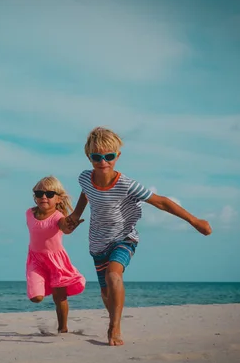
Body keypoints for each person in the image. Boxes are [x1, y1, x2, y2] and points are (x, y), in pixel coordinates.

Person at [65, 127, 212, 346]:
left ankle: (114, 327)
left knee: (113, 276)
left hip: (124, 238)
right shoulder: (85, 178)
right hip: (97, 243)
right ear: (89, 156)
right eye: (96, 157)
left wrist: (194, 221)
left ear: (117, 156)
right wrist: (75, 215)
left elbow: (161, 201)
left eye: (109, 156)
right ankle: (114, 317)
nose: (103, 161)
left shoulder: (127, 184)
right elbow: (87, 193)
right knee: (106, 294)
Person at [26, 175, 87, 334]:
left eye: (49, 194)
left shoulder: (58, 217)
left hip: (56, 261)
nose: (43, 197)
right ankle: (43, 287)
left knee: (59, 297)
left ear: (59, 199)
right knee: (36, 297)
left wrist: (72, 224)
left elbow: (66, 228)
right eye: (39, 194)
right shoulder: (29, 213)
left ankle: (63, 328)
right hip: (36, 260)